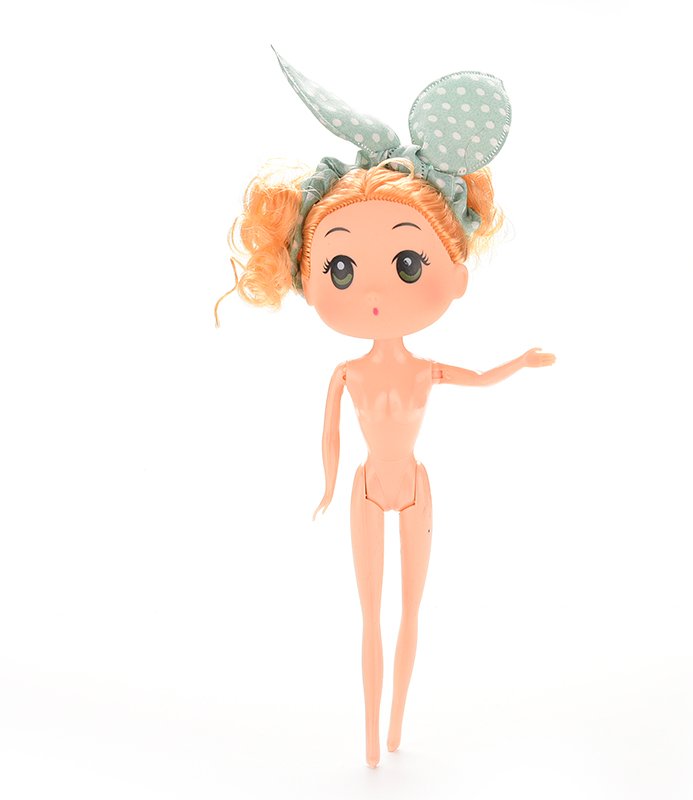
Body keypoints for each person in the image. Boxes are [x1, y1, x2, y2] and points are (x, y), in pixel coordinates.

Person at [220, 50, 556, 768]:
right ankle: (373, 738)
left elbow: (478, 379)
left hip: (417, 488)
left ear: (454, 275)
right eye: (340, 268)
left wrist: (520, 363)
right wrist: (325, 487)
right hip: (368, 491)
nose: (371, 290)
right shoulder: (346, 372)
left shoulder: (425, 369)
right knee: (370, 615)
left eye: (408, 264)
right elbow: (330, 437)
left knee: (411, 612)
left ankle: (397, 725)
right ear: (306, 278)